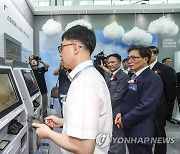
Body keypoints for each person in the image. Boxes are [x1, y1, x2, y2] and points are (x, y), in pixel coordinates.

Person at [32, 25, 113, 154]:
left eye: (62, 48)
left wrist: (48, 133)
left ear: (75, 48)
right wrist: (64, 122)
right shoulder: (91, 75)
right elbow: (92, 120)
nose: (60, 53)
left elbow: (84, 148)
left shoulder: (83, 82)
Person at [115, 45, 163, 154]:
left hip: (141, 129)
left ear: (145, 59)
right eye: (128, 58)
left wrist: (124, 120)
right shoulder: (135, 76)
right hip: (132, 126)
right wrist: (121, 113)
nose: (129, 61)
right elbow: (129, 99)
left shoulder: (152, 78)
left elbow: (145, 106)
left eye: (133, 58)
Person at [149, 46, 177, 154]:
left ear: (156, 55)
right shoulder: (142, 69)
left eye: (150, 53)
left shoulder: (165, 69)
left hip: (160, 110)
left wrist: (167, 110)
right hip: (145, 109)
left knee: (159, 135)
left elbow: (170, 92)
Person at [104, 53, 129, 154]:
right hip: (108, 111)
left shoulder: (124, 77)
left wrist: (105, 107)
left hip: (116, 112)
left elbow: (118, 96)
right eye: (108, 62)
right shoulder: (108, 75)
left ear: (119, 63)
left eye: (113, 62)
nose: (110, 64)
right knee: (110, 136)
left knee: (118, 138)